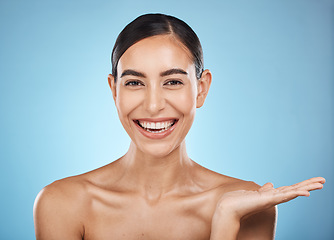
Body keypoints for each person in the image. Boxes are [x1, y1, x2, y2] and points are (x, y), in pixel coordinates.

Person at [33, 13, 325, 240]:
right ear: (114, 90)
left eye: (172, 82)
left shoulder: (248, 205)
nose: (152, 105)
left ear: (201, 88)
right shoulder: (62, 203)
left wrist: (225, 220)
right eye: (134, 82)